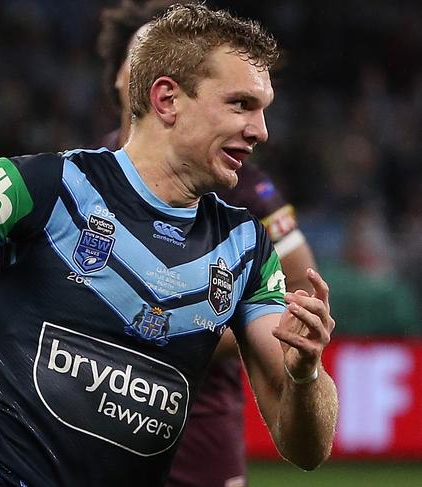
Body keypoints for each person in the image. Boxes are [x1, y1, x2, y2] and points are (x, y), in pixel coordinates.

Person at [0, 4, 338, 486]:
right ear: (168, 99)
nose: (261, 130)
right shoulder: (46, 188)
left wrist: (305, 373)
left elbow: (307, 450)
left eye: (263, 108)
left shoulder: (247, 247)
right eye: (241, 104)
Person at [96, 2, 319, 486]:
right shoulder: (85, 175)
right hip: (96, 419)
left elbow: (301, 287)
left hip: (200, 427)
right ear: (122, 76)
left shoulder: (243, 184)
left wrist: (179, 325)